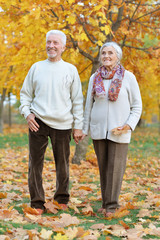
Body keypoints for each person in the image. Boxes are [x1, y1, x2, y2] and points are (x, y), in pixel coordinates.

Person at [19, 30, 83, 214]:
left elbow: (77, 99)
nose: (51, 46)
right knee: (35, 164)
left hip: (63, 123)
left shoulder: (70, 69)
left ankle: (61, 198)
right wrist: (27, 114)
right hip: (37, 121)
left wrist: (78, 125)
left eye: (55, 43)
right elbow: (25, 94)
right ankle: (37, 202)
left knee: (62, 164)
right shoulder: (36, 67)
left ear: (63, 47)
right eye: (49, 42)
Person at [82, 42, 142, 217]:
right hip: (99, 129)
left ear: (118, 56)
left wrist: (129, 125)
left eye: (110, 53)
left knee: (115, 168)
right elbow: (88, 106)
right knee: (104, 167)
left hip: (119, 130)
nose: (106, 56)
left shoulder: (128, 77)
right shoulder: (95, 78)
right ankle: (105, 202)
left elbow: (137, 106)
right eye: (103, 53)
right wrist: (84, 129)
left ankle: (112, 206)